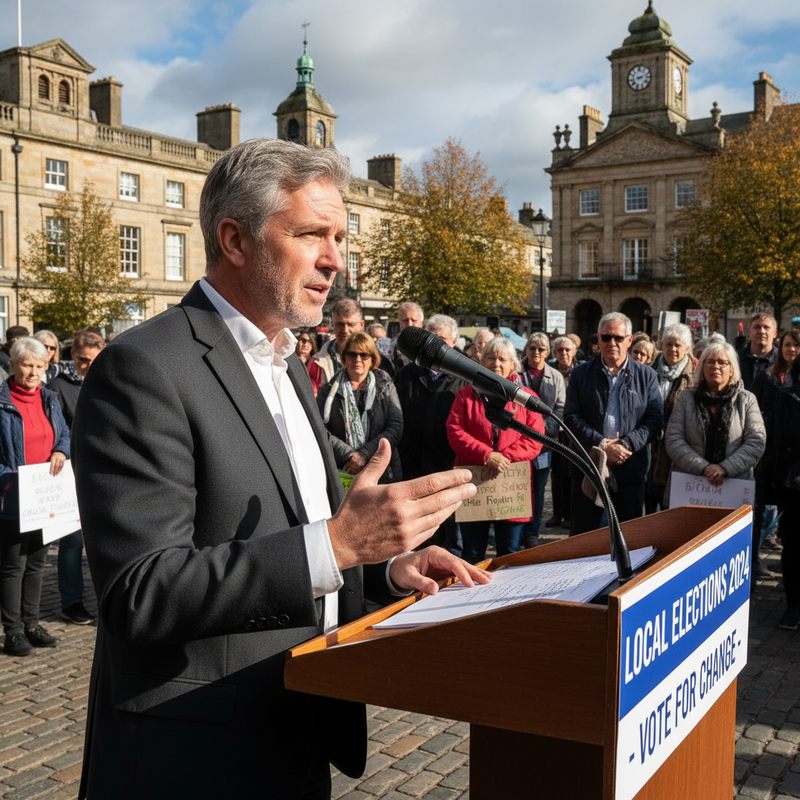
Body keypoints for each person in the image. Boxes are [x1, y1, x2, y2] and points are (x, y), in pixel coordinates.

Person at [71, 138, 488, 800]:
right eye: (311, 234)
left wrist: (381, 566)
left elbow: (302, 532)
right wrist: (339, 544)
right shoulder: (143, 367)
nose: (335, 260)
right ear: (234, 240)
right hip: (196, 754)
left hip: (297, 728)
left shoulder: (286, 358)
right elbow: (140, 592)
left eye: (340, 237)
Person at [0, 337, 70, 656]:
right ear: (12, 365)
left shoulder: (50, 398)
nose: (33, 371)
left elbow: (65, 433)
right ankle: (12, 631)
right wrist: (9, 476)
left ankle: (32, 624)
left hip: (45, 498)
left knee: (37, 565)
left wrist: (60, 450)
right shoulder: (1, 402)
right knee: (13, 566)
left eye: (40, 366)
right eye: (27, 364)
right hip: (12, 496)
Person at [564, 312, 663, 535]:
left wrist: (627, 444)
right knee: (584, 538)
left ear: (629, 340)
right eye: (606, 337)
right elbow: (570, 417)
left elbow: (654, 419)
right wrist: (602, 445)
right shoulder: (580, 374)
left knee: (629, 538)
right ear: (598, 340)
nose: (612, 343)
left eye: (618, 338)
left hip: (631, 468)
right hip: (589, 466)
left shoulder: (647, 376)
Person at [446, 337, 544, 562]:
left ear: (513, 365)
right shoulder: (465, 395)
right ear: (481, 361)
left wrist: (504, 457)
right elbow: (455, 431)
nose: (496, 363)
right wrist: (487, 455)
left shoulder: (526, 398)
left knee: (509, 553)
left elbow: (535, 438)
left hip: (511, 486)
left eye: (502, 359)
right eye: (490, 358)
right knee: (472, 553)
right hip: (475, 485)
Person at [395, 314, 467, 553]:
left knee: (451, 535)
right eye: (431, 338)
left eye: (441, 339)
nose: (435, 345)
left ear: (453, 342)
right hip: (413, 466)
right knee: (418, 534)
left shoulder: (465, 379)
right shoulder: (406, 375)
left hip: (449, 466)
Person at [47, 329, 106, 626]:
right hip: (71, 473)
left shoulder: (110, 379)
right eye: (82, 360)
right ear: (73, 356)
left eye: (93, 360)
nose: (87, 366)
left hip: (106, 473)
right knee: (72, 542)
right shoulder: (58, 386)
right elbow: (58, 429)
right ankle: (71, 602)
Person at [665, 342, 765, 504]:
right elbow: (673, 439)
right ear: (702, 366)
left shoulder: (746, 400)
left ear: (731, 368)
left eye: (722, 362)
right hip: (690, 489)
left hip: (733, 489)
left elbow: (756, 442)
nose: (715, 366)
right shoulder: (686, 398)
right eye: (709, 362)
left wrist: (725, 468)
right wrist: (704, 468)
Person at [317, 331, 403, 483]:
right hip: (343, 469)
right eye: (352, 354)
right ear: (344, 357)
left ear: (373, 359)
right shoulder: (328, 390)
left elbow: (395, 426)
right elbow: (320, 429)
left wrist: (364, 454)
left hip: (381, 470)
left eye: (364, 355)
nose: (358, 359)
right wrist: (350, 455)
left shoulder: (385, 386)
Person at [518, 333, 565, 547]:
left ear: (548, 352)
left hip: (544, 443)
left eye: (542, 349)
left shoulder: (555, 376)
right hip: (517, 442)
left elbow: (561, 408)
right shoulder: (516, 373)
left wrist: (542, 430)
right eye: (532, 348)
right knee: (519, 487)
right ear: (526, 350)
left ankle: (532, 533)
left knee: (538, 489)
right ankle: (517, 531)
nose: (536, 352)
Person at [645, 323, 694, 513]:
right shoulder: (648, 372)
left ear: (687, 348)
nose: (672, 349)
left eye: (678, 345)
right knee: (649, 504)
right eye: (668, 344)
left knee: (670, 507)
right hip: (649, 447)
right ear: (661, 345)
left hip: (677, 451)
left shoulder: (694, 377)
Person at [767, 357, 800, 629]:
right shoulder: (787, 398)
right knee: (793, 546)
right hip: (793, 486)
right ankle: (794, 605)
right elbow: (778, 442)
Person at [545, 335, 578, 529]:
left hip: (573, 430)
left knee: (571, 474)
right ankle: (558, 513)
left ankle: (571, 514)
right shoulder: (550, 371)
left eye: (567, 350)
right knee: (556, 475)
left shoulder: (580, 371)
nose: (564, 353)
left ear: (574, 351)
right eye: (560, 350)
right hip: (555, 431)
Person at [308, 297, 364, 394]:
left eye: (351, 325)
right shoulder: (317, 363)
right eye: (340, 324)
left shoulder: (378, 360)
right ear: (332, 324)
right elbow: (311, 401)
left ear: (361, 325)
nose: (345, 330)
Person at [737, 313, 778, 391]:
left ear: (775, 334)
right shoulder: (736, 359)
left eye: (766, 327)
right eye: (757, 327)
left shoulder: (782, 360)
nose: (762, 331)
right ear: (749, 332)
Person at [390, 301, 425, 375]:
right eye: (405, 320)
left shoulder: (429, 346)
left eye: (413, 320)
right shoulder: (390, 346)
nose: (409, 324)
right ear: (400, 322)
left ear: (421, 323)